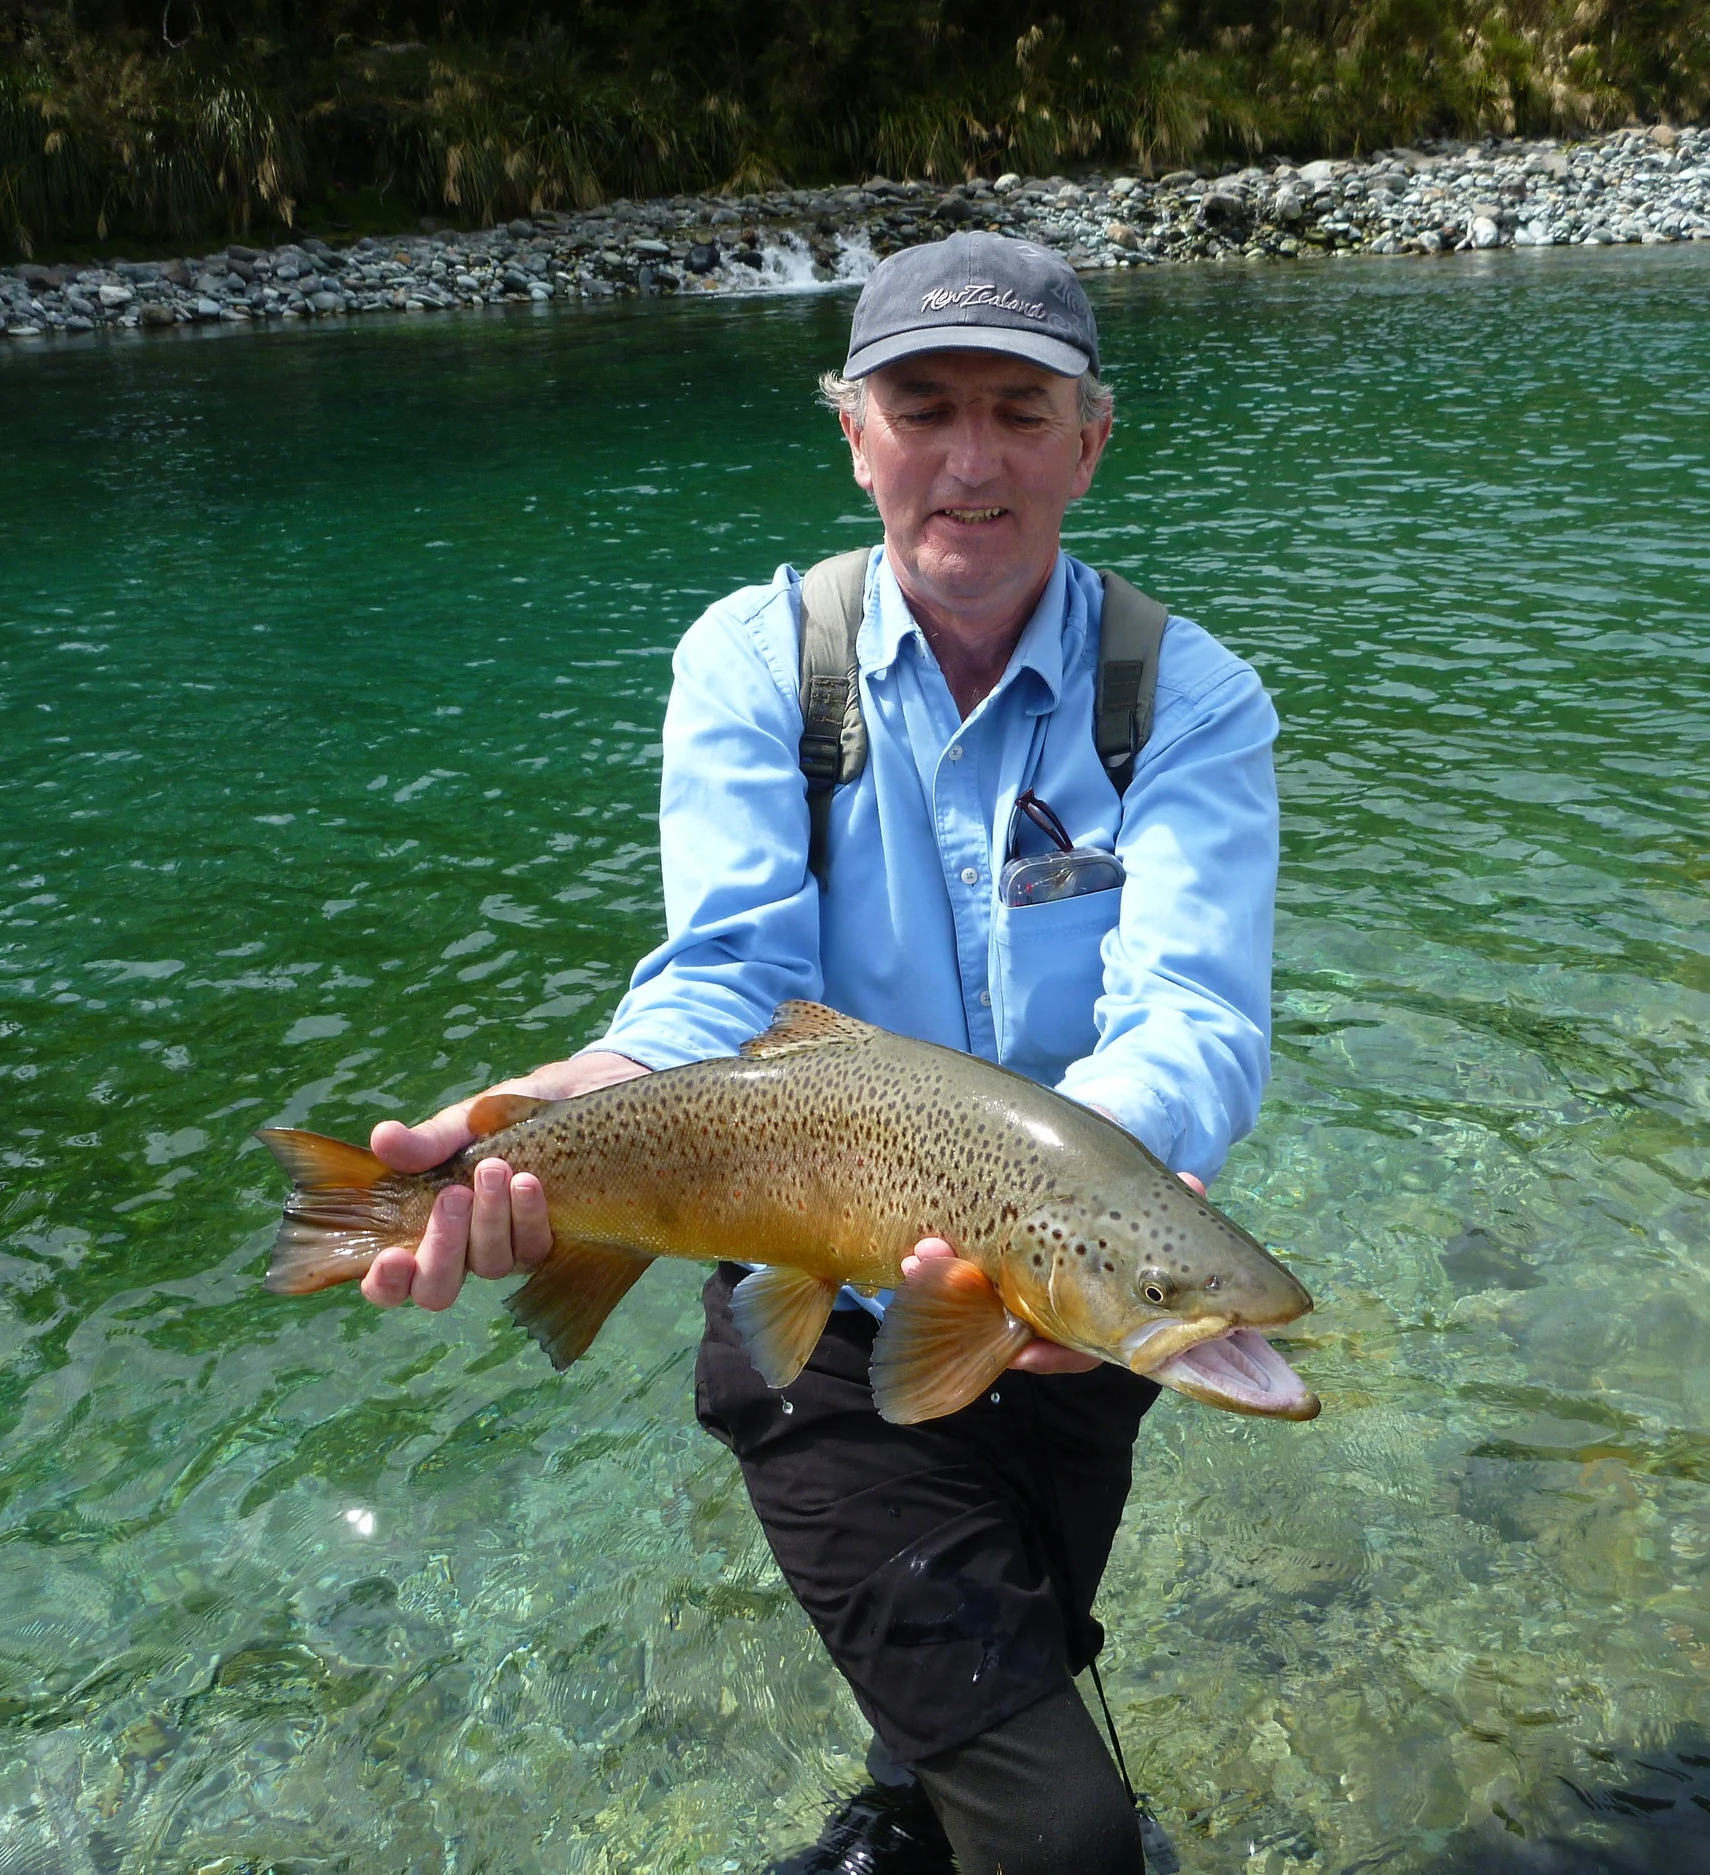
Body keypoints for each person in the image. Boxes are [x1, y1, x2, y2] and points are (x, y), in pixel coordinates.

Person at [359, 231, 1279, 1874]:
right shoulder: (753, 663)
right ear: (853, 430)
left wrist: (1085, 1232)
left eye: (1021, 408)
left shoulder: (1183, 698)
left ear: (1093, 436)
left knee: (1014, 1655)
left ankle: (899, 1812)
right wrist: (548, 1117)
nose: (972, 460)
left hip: (1072, 1318)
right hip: (830, 1336)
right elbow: (723, 981)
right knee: (1066, 1829)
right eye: (924, 407)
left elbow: (1190, 1012)